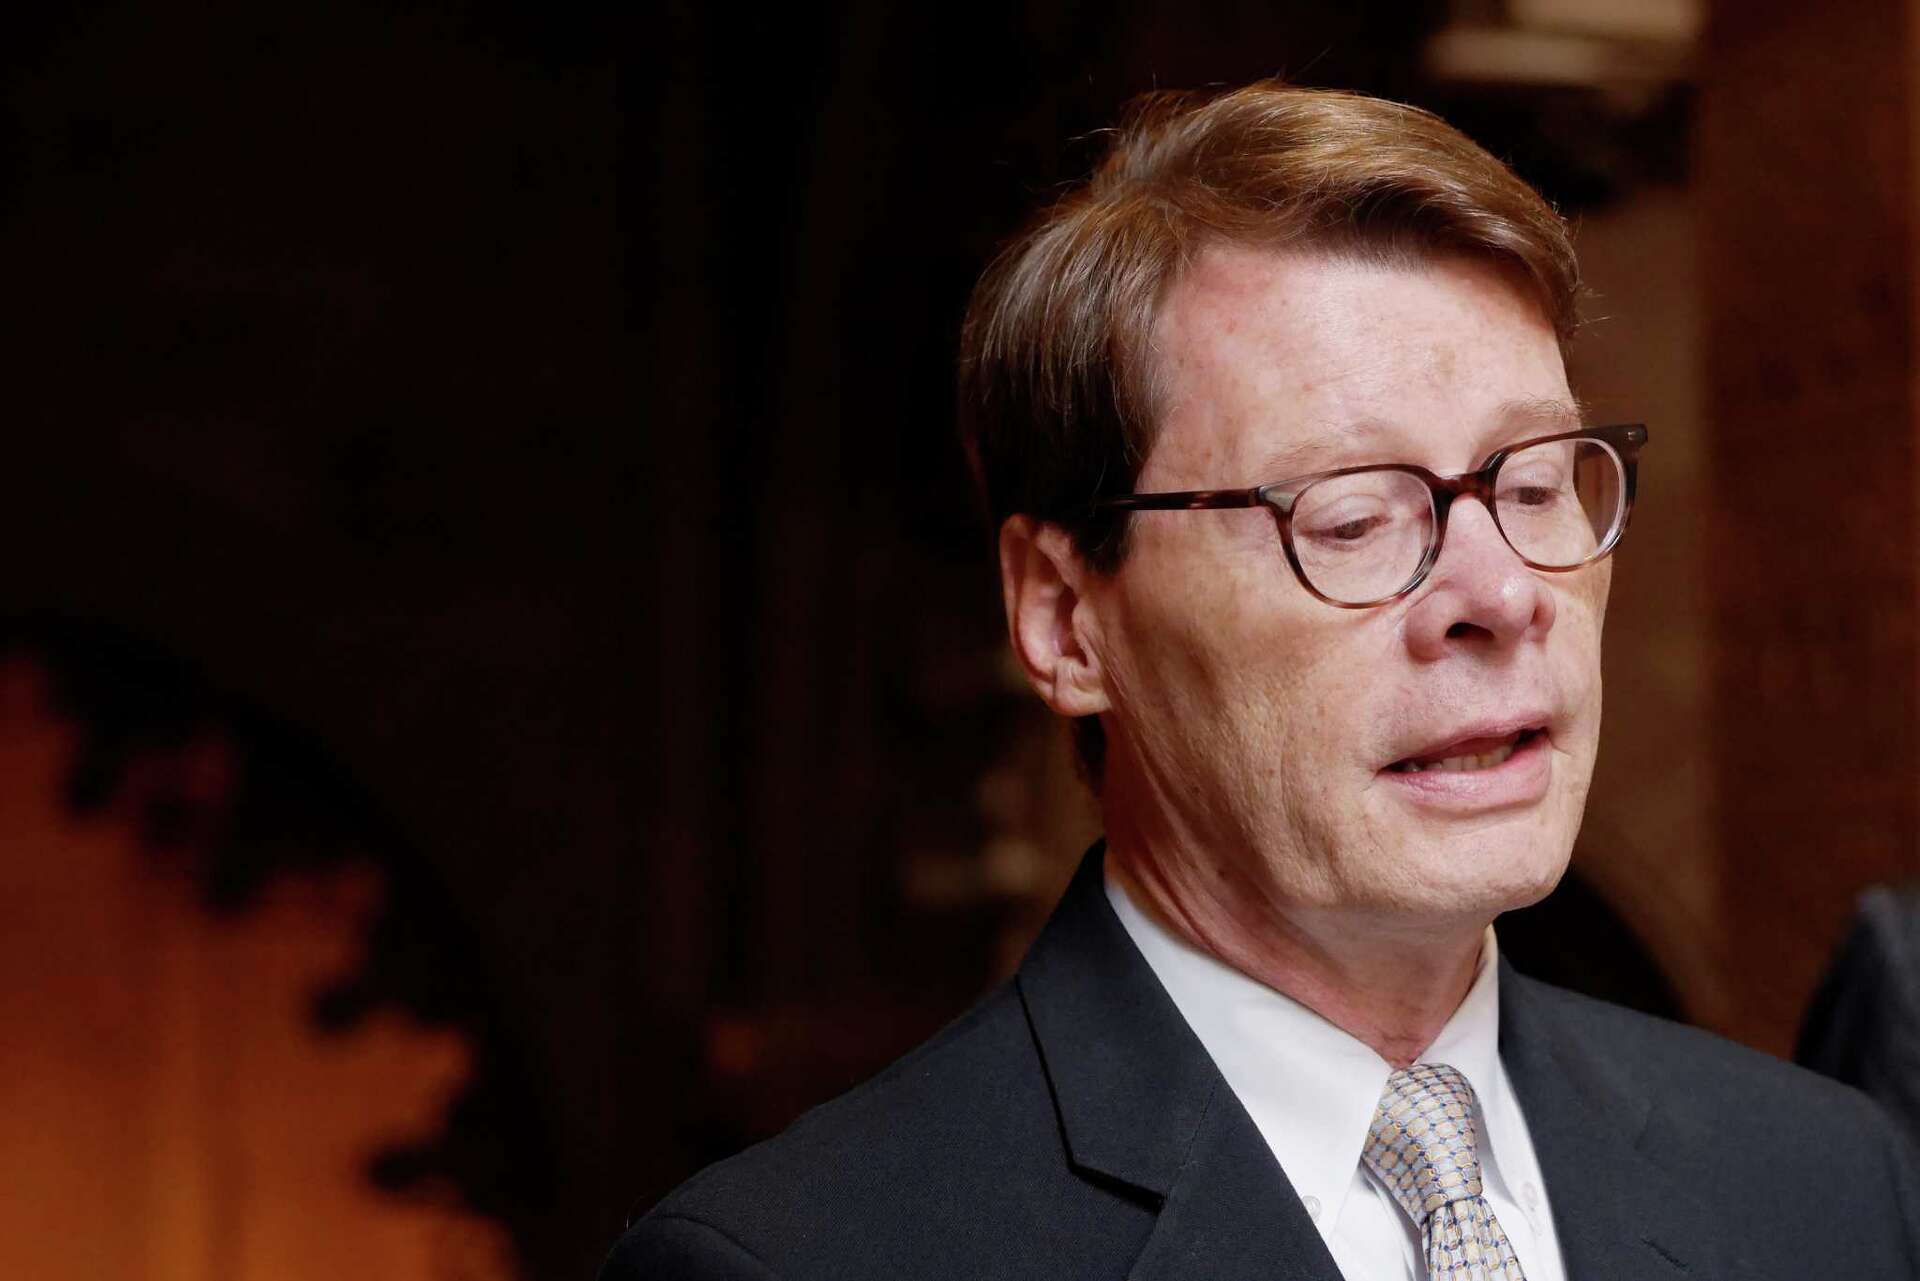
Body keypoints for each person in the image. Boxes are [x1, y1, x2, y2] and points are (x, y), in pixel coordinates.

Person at [602, 82, 1920, 1280]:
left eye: (1532, 484)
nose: (1507, 593)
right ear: (1064, 618)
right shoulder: (803, 1262)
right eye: (1351, 517)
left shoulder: (1824, 1180)